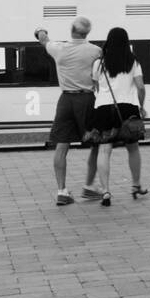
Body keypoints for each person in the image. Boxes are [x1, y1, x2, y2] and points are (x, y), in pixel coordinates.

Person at [35, 17, 102, 206]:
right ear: (87, 33)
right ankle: (89, 186)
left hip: (65, 100)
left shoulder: (59, 48)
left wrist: (41, 30)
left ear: (71, 29)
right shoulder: (96, 51)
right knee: (96, 143)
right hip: (88, 99)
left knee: (62, 145)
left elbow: (43, 39)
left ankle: (62, 191)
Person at [88, 27, 148, 206]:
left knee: (104, 150)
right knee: (133, 148)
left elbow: (95, 86)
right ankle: (136, 185)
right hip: (128, 108)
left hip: (104, 109)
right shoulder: (133, 62)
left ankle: (105, 191)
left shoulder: (98, 63)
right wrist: (142, 107)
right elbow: (141, 87)